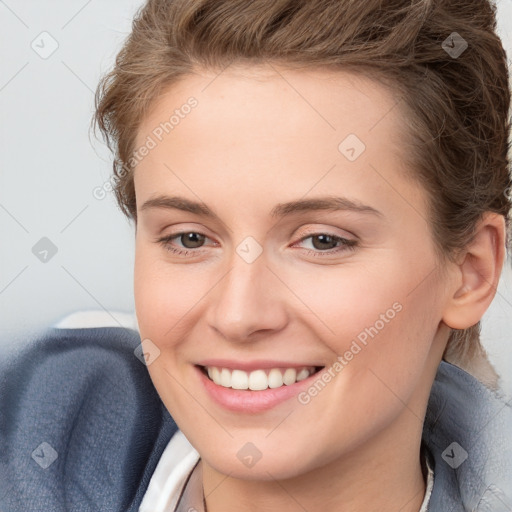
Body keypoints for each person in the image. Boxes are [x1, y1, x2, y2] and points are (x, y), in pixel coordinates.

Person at [1, 0, 511, 511]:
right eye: (190, 238)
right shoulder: (29, 419)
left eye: (322, 241)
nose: (239, 315)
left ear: (470, 273)